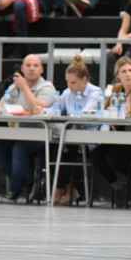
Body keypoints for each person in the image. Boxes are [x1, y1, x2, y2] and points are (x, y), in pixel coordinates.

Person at [0, 54, 56, 203]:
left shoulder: (47, 87)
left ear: (41, 69)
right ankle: (24, 182)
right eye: (28, 65)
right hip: (19, 133)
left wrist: (25, 87)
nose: (31, 69)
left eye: (35, 66)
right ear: (22, 69)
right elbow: (3, 103)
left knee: (19, 149)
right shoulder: (14, 87)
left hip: (41, 135)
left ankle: (15, 189)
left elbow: (36, 109)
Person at [88, 56, 131, 208]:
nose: (128, 74)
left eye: (130, 70)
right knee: (96, 155)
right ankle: (116, 187)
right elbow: (106, 111)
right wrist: (117, 115)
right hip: (120, 134)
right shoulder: (116, 89)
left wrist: (122, 115)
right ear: (117, 75)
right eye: (124, 71)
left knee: (115, 157)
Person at [41, 55, 103, 205]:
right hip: (71, 136)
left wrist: (71, 116)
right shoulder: (67, 93)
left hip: (91, 137)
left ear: (85, 79)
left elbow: (85, 112)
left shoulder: (95, 92)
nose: (70, 86)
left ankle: (59, 190)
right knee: (50, 147)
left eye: (73, 82)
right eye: (67, 82)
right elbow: (57, 109)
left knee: (65, 149)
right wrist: (43, 111)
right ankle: (66, 189)